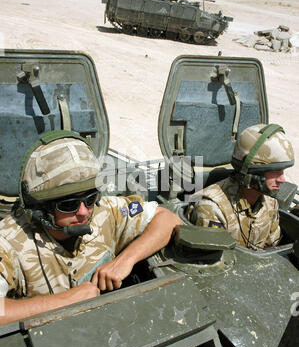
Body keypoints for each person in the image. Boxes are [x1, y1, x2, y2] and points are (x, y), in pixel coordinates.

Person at [0, 130, 182, 325]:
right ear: (41, 208)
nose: (83, 212)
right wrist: (66, 301)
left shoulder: (106, 211)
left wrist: (125, 260)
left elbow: (167, 218)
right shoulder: (9, 240)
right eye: (68, 205)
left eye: (90, 198)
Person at [187, 124, 295, 250]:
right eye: (276, 172)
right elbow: (212, 261)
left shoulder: (270, 202)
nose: (282, 179)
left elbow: (271, 247)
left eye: (283, 172)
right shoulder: (212, 208)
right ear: (252, 173)